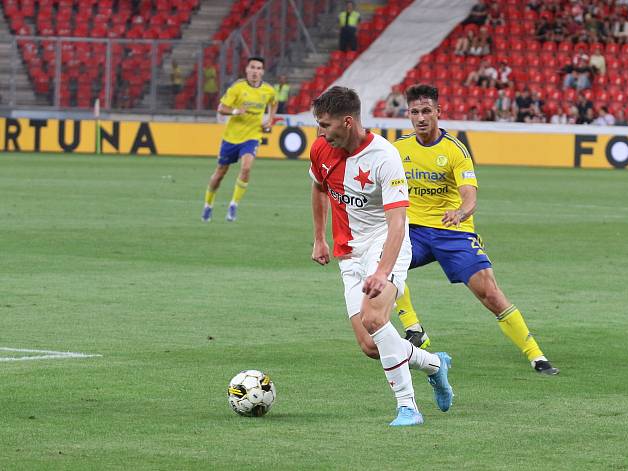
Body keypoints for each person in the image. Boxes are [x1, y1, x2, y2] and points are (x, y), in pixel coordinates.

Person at [309, 86, 453, 426]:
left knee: (375, 318)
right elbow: (317, 188)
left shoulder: (384, 156)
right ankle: (434, 364)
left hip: (386, 244)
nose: (320, 131)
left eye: (325, 125)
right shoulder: (320, 149)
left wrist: (383, 271)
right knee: (371, 346)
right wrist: (319, 238)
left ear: (347, 122)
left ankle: (408, 408)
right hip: (349, 253)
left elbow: (398, 221)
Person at [392, 84, 559, 375]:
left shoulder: (455, 150)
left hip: (452, 231)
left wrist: (461, 211)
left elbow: (470, 194)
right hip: (415, 230)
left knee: (490, 294)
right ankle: (414, 328)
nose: (420, 118)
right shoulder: (398, 148)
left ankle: (537, 356)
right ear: (408, 113)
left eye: (426, 111)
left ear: (438, 112)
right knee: (383, 265)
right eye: (415, 112)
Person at [201, 57, 276, 222]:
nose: (255, 71)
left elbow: (273, 102)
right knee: (220, 173)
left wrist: (270, 119)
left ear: (262, 72)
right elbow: (221, 108)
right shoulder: (237, 88)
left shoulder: (268, 90)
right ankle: (208, 205)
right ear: (247, 70)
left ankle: (233, 205)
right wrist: (235, 112)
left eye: (259, 68)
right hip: (231, 138)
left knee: (247, 168)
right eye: (252, 67)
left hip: (252, 136)